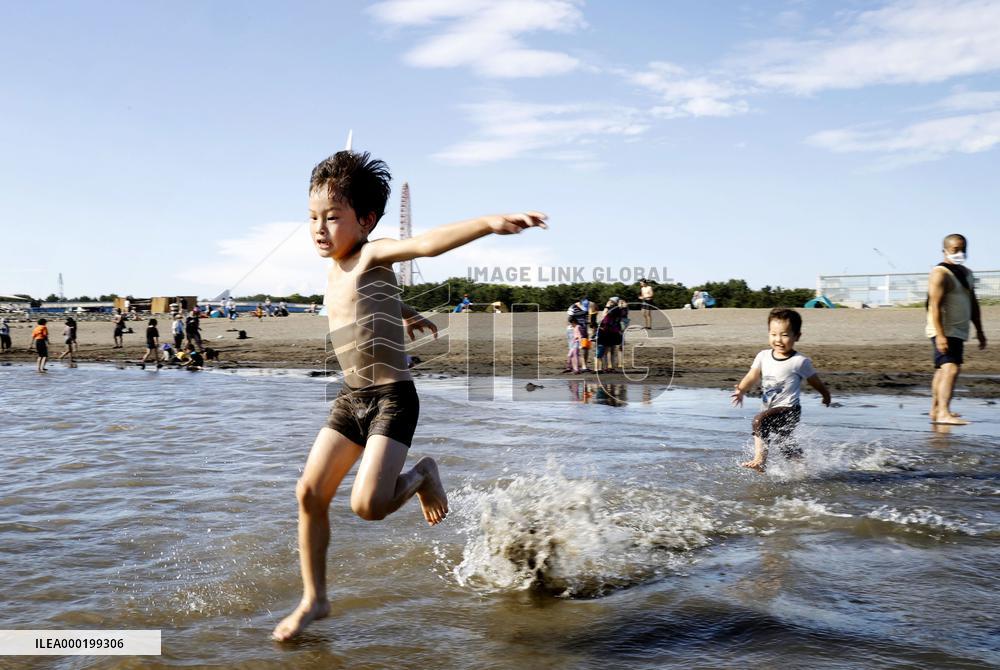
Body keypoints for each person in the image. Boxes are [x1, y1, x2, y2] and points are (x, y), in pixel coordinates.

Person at [272, 149, 546, 641]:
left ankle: (422, 475)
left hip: (391, 399)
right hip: (351, 398)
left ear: (366, 220)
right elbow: (365, 298)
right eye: (312, 217)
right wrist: (402, 312)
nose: (319, 228)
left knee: (368, 506)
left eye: (332, 217)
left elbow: (426, 245)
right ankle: (315, 599)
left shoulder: (372, 253)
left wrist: (487, 223)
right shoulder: (337, 266)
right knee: (309, 493)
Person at [731, 308, 831, 472]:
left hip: (790, 410)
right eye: (773, 334)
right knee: (784, 444)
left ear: (797, 336)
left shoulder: (799, 361)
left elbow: (814, 381)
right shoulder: (763, 356)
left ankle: (760, 460)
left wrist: (825, 394)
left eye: (784, 335)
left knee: (759, 421)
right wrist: (741, 390)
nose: (778, 339)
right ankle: (804, 469)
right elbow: (752, 376)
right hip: (770, 409)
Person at [926, 233, 987, 425]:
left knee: (942, 370)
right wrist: (940, 335)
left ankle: (936, 410)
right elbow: (934, 305)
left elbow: (973, 303)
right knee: (951, 368)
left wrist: (979, 330)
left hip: (959, 329)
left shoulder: (967, 273)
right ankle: (944, 413)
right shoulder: (940, 273)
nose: (960, 253)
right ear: (945, 250)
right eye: (955, 249)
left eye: (963, 249)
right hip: (945, 329)